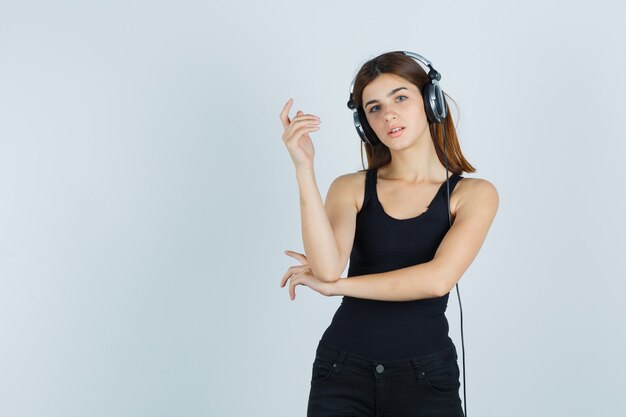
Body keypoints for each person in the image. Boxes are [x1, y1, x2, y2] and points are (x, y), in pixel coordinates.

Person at [279, 51, 498, 417]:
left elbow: (437, 280)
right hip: (341, 370)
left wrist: (339, 287)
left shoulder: (474, 194)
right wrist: (304, 169)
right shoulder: (350, 187)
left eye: (400, 97)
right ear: (364, 123)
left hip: (426, 377)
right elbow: (327, 266)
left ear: (431, 103)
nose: (388, 114)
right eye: (374, 108)